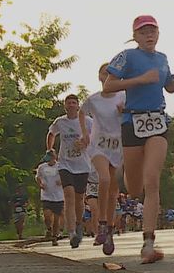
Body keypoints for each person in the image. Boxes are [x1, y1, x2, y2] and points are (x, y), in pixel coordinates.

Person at [104, 14, 174, 264]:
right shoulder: (127, 56)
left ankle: (148, 243)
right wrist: (140, 80)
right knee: (135, 187)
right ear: (135, 36)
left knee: (152, 181)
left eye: (153, 31)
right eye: (143, 32)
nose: (149, 35)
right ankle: (123, 174)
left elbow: (166, 83)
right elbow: (108, 86)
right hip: (132, 122)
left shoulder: (162, 59)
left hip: (157, 121)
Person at [79, 63, 126, 255]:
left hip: (117, 146)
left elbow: (134, 114)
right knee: (104, 179)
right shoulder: (94, 99)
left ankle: (109, 229)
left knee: (114, 190)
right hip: (98, 146)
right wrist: (85, 134)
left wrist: (126, 111)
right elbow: (82, 112)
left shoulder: (123, 96)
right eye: (105, 73)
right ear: (99, 77)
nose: (108, 76)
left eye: (112, 74)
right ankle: (102, 223)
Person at [46, 94, 93, 248]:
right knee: (69, 196)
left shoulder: (87, 121)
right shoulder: (60, 122)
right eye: (69, 103)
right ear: (65, 106)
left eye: (74, 102)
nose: (72, 105)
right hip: (65, 164)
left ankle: (79, 225)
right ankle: (71, 232)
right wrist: (50, 148)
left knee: (80, 199)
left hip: (82, 164)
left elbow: (97, 136)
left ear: (78, 105)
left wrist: (86, 141)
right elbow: (51, 133)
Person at [36, 149, 64, 246]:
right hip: (46, 195)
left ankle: (54, 237)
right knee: (47, 215)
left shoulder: (60, 166)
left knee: (56, 218)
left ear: (54, 157)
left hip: (58, 196)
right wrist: (40, 184)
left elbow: (67, 177)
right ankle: (49, 229)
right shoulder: (42, 167)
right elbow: (38, 177)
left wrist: (62, 181)